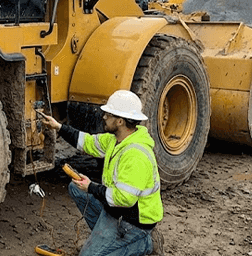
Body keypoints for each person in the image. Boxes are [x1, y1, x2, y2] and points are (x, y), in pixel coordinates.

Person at [41, 90, 162, 256]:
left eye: (108, 114)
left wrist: (91, 187)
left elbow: (123, 199)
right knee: (76, 188)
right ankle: (105, 240)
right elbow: (87, 142)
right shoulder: (116, 140)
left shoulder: (136, 155)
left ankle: (144, 243)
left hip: (132, 222)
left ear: (120, 121)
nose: (104, 117)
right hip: (115, 210)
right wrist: (58, 127)